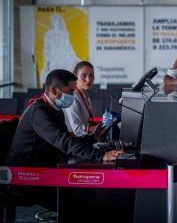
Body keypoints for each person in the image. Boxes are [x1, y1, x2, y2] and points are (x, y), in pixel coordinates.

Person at [6, 69, 122, 211]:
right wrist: (101, 155)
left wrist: (93, 139)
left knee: (87, 192)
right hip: (27, 178)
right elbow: (63, 142)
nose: (73, 95)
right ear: (55, 91)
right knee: (79, 200)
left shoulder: (54, 109)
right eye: (71, 91)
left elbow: (66, 138)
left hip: (45, 168)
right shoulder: (39, 112)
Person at [40, 14, 79, 85]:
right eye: (53, 20)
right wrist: (47, 59)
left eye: (56, 20)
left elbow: (68, 47)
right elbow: (46, 48)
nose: (55, 22)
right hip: (53, 58)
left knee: (63, 78)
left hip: (62, 57)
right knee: (53, 78)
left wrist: (74, 56)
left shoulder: (64, 34)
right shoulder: (48, 34)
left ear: (59, 22)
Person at [63, 61, 98, 137]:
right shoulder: (72, 97)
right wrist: (98, 128)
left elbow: (86, 123)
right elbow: (77, 130)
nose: (88, 80)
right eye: (83, 76)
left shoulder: (85, 95)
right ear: (75, 77)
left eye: (91, 75)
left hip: (85, 137)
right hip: (74, 142)